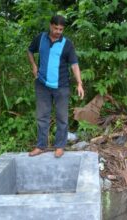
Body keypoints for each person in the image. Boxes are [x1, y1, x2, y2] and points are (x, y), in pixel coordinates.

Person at [27, 15, 84, 158]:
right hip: (42, 84)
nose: (58, 31)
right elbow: (29, 50)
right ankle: (41, 146)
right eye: (55, 28)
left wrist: (79, 83)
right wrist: (34, 65)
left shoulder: (67, 44)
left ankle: (60, 146)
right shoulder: (40, 38)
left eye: (61, 29)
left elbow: (74, 65)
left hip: (61, 86)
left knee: (62, 117)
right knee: (42, 116)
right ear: (50, 25)